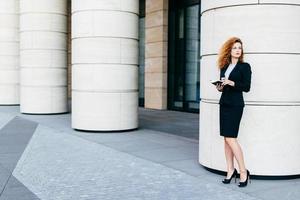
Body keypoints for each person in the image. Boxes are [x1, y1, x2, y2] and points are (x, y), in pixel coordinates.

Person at [216, 37, 252, 187]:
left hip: (236, 105)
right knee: (226, 139)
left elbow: (247, 87)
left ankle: (243, 171)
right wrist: (220, 87)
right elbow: (222, 85)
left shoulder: (245, 66)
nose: (238, 50)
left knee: (231, 138)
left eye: (240, 48)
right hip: (224, 103)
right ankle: (230, 170)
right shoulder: (224, 66)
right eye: (235, 48)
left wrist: (232, 82)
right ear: (229, 50)